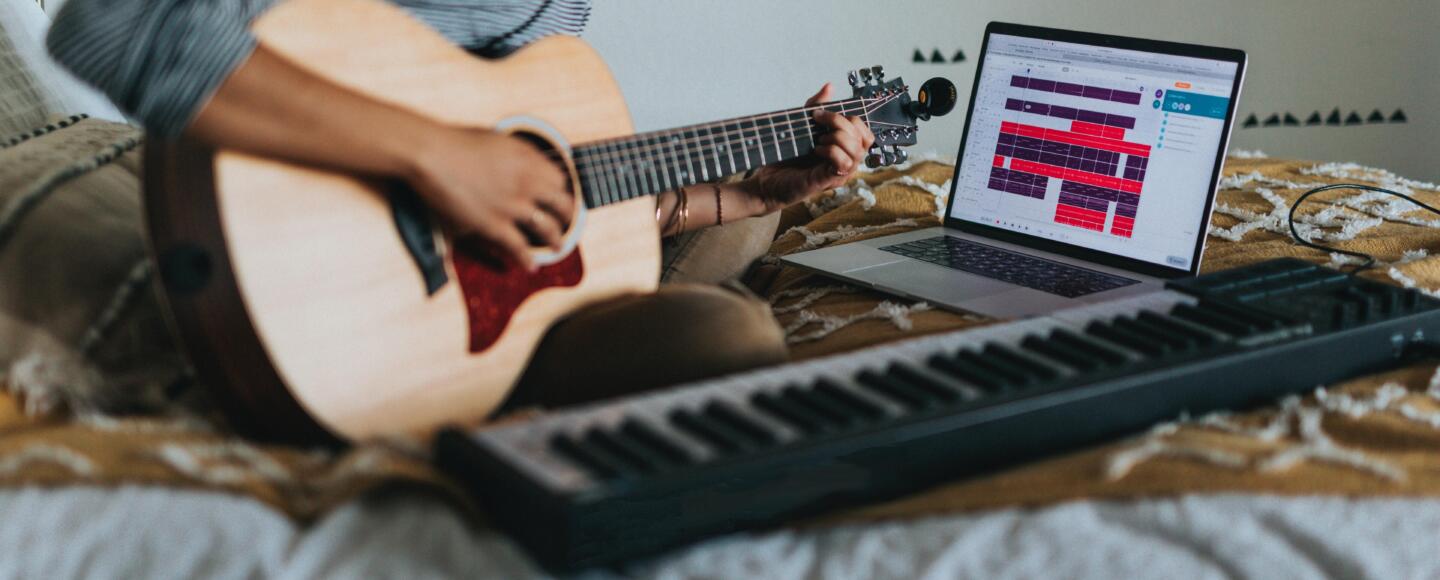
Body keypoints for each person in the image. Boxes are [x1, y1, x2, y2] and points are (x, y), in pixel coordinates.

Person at [46, 0, 875, 410]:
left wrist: (738, 191)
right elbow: (114, 27)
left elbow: (524, 167)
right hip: (312, 257)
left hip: (468, 269)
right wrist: (438, 157)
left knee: (758, 221)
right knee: (728, 336)